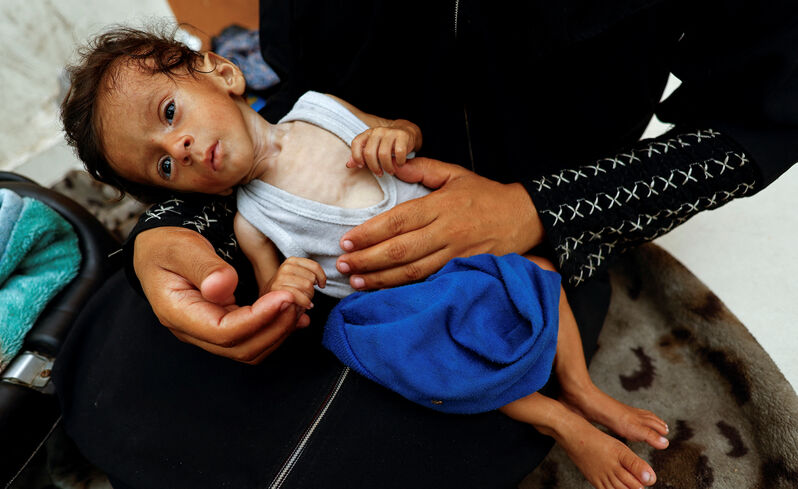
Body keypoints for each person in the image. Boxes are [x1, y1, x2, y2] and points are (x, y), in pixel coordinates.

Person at [53, 2, 798, 488]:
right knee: (132, 396)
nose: (173, 145)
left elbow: (762, 121)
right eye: (159, 163)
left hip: (543, 222)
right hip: (352, 279)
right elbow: (283, 108)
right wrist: (176, 227)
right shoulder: (221, 161)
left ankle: (573, 403)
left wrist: (537, 209)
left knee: (435, 410)